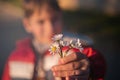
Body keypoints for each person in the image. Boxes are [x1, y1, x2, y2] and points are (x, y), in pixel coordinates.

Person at [2, 0, 106, 80]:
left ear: (62, 17)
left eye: (54, 19)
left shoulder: (73, 47)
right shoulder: (16, 56)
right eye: (41, 22)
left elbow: (97, 61)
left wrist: (89, 68)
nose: (50, 28)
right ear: (27, 24)